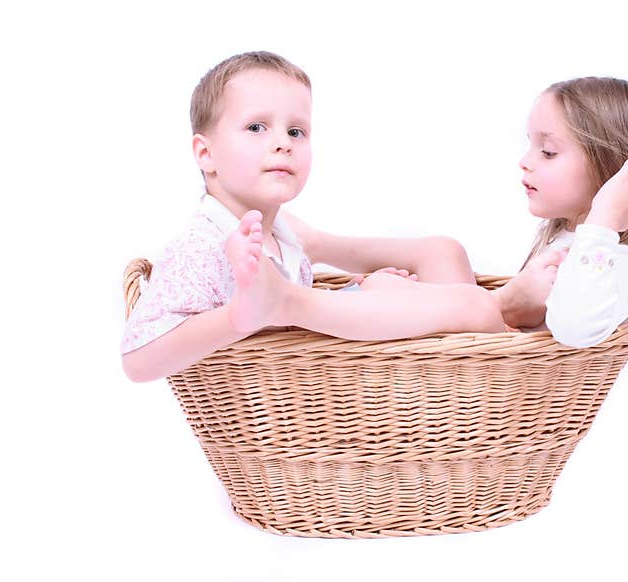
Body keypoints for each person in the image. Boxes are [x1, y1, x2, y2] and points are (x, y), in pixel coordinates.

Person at [121, 51, 504, 382]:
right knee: (478, 309)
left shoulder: (280, 236)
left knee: (441, 269)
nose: (283, 143)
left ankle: (509, 321)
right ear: (206, 154)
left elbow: (304, 334)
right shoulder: (203, 246)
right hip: (292, 413)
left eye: (296, 131)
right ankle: (516, 317)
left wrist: (361, 292)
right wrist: (238, 316)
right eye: (256, 127)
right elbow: (137, 360)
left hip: (322, 385)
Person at [491, 77, 628, 347]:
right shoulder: (565, 242)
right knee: (444, 252)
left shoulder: (623, 264)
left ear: (610, 169)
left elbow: (574, 330)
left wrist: (603, 221)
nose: (525, 162)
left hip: (519, 383)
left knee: (446, 262)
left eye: (548, 152)